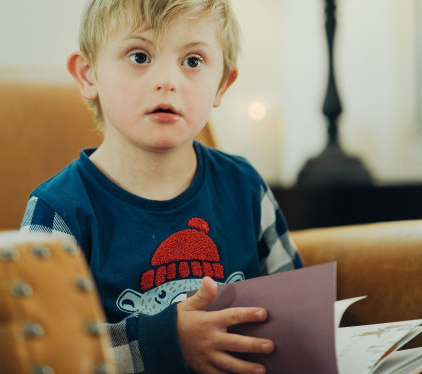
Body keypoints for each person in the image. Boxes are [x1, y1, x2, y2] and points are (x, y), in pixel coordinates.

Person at [20, 0, 303, 373]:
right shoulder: (57, 209)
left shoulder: (244, 184)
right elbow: (43, 353)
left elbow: (296, 310)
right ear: (88, 75)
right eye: (139, 57)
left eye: (192, 61)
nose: (167, 80)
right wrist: (165, 343)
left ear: (222, 85)